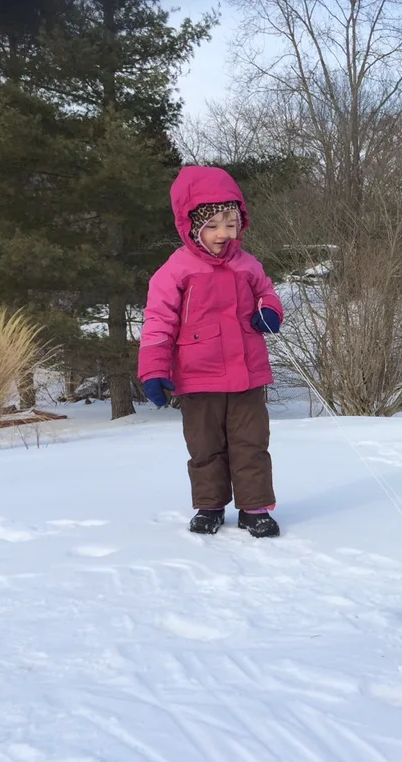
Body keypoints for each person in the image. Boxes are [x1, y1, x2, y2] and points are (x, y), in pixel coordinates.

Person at [137, 165, 284, 538]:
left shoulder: (247, 265)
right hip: (198, 376)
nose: (223, 234)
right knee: (205, 446)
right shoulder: (175, 271)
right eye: (213, 225)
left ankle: (254, 508)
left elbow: (268, 292)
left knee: (251, 443)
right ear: (191, 225)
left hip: (247, 375)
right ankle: (209, 505)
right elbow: (158, 321)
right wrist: (153, 369)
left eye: (231, 223)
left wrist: (269, 310)